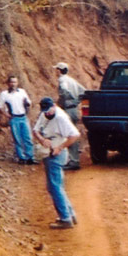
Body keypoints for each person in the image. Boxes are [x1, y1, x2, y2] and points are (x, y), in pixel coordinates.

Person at [33, 96, 80, 228]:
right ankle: (70, 214)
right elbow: (35, 130)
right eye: (45, 111)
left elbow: (75, 135)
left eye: (49, 110)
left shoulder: (60, 118)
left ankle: (65, 218)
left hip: (56, 153)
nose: (47, 113)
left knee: (54, 186)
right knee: (56, 186)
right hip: (48, 151)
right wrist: (42, 140)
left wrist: (60, 147)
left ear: (54, 106)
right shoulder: (44, 114)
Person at [0, 75, 35, 164]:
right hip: (14, 118)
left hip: (23, 117)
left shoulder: (22, 92)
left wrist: (27, 109)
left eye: (15, 82)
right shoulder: (4, 94)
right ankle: (21, 158)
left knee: (27, 137)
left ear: (17, 83)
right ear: (8, 83)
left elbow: (28, 102)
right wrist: (6, 115)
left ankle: (30, 157)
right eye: (11, 82)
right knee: (17, 139)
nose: (13, 84)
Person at [55, 62, 86, 170]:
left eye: (57, 69)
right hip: (74, 109)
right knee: (72, 133)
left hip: (67, 109)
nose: (56, 71)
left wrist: (62, 103)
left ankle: (73, 161)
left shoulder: (62, 80)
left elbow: (64, 92)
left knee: (69, 135)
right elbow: (83, 91)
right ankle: (74, 159)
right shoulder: (72, 80)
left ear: (59, 70)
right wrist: (76, 101)